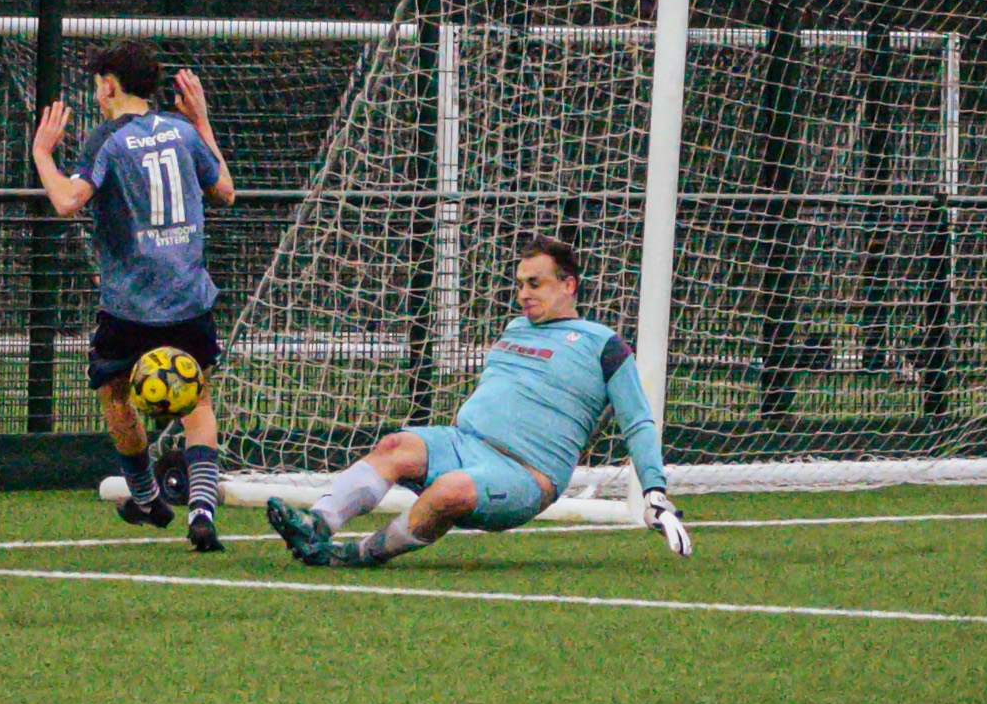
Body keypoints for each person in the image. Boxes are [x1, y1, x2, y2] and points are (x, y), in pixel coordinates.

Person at [266, 235, 693, 566]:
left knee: (449, 490)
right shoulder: (516, 328)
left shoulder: (603, 344)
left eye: (535, 283)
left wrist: (654, 493)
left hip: (525, 474)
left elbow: (638, 422)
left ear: (568, 285)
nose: (523, 294)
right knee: (395, 445)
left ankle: (356, 555)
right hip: (463, 443)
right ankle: (316, 525)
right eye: (520, 284)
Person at [31, 39, 238, 553]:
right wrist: (203, 123)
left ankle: (146, 496)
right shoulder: (183, 131)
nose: (96, 96)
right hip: (188, 294)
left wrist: (41, 153)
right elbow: (226, 191)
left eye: (97, 86)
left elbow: (67, 201)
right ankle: (203, 511)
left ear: (109, 85)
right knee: (198, 399)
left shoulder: (109, 138)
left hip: (130, 303)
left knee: (114, 394)